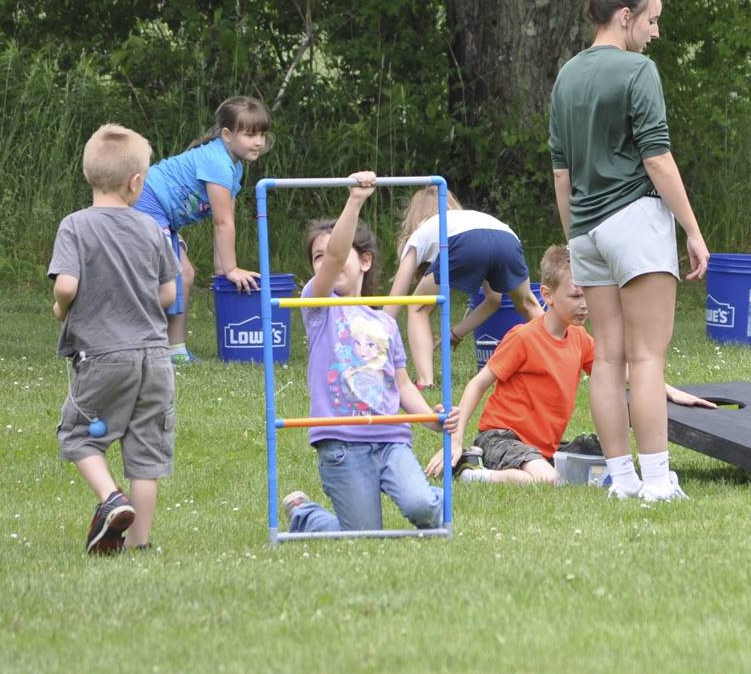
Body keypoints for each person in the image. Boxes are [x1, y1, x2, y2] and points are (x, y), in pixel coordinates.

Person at [549, 0, 709, 502]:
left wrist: (575, 236)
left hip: (587, 230)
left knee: (608, 358)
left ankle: (621, 481)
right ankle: (659, 482)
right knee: (647, 357)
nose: (656, 32)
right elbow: (658, 161)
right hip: (634, 221)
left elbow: (562, 173)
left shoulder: (567, 75)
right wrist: (692, 229)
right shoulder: (638, 70)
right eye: (652, 20)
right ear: (624, 17)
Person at [428, 245, 715, 485]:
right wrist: (455, 439)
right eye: (576, 296)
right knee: (545, 480)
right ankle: (472, 472)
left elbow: (619, 371)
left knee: (607, 458)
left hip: (545, 446)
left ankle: (537, 464)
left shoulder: (579, 337)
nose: (585, 304)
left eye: (588, 295)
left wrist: (665, 389)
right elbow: (478, 383)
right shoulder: (524, 337)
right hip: (501, 437)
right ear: (547, 295)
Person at [281, 172, 458, 534]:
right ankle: (305, 515)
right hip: (342, 446)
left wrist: (430, 419)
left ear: (364, 261)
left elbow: (403, 385)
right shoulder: (318, 308)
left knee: (422, 506)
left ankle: (426, 497)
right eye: (316, 257)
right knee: (364, 537)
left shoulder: (386, 323)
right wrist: (355, 201)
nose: (326, 261)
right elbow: (333, 259)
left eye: (340, 253)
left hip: (390, 440)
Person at [49, 124, 180, 555]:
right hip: (156, 358)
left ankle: (110, 499)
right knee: (146, 454)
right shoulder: (151, 229)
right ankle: (139, 545)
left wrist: (60, 309)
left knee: (79, 436)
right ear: (136, 182)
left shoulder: (75, 226)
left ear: (88, 175)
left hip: (104, 356)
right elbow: (168, 294)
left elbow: (66, 286)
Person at [135, 95, 271, 363]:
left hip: (163, 216)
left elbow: (224, 218)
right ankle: (142, 344)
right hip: (146, 204)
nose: (258, 142)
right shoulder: (218, 162)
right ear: (227, 135)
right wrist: (231, 269)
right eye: (250, 134)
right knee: (168, 279)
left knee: (184, 274)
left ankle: (174, 350)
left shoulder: (234, 167)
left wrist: (222, 268)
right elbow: (223, 222)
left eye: (262, 135)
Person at [384, 186, 545, 393]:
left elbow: (395, 301)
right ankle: (560, 358)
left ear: (414, 217)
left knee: (417, 306)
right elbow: (493, 300)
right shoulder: (471, 218)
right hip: (508, 238)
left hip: (466, 244)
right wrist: (456, 334)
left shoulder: (420, 235)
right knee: (527, 303)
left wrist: (375, 332)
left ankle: (425, 382)